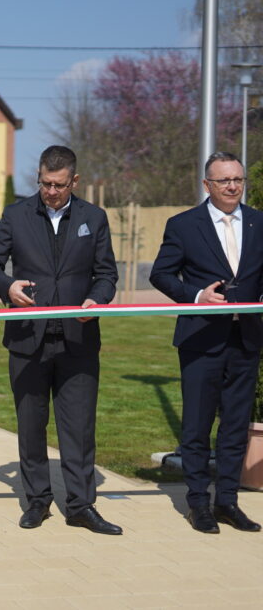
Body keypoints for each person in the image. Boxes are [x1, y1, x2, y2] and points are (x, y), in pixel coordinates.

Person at [0, 145, 121, 535]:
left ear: (74, 181)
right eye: (44, 183)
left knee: (78, 428)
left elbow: (107, 273)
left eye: (58, 185)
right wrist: (8, 286)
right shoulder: (16, 215)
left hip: (78, 338)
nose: (51, 191)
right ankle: (37, 501)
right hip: (27, 338)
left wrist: (99, 298)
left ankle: (80, 505)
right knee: (31, 424)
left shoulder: (95, 217)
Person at [149, 152, 263, 534]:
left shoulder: (258, 222)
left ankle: (227, 501)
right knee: (197, 425)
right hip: (201, 339)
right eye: (224, 181)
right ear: (207, 185)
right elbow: (161, 274)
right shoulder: (183, 225)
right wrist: (196, 296)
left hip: (246, 339)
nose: (233, 186)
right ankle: (198, 503)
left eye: (238, 179)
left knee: (234, 425)